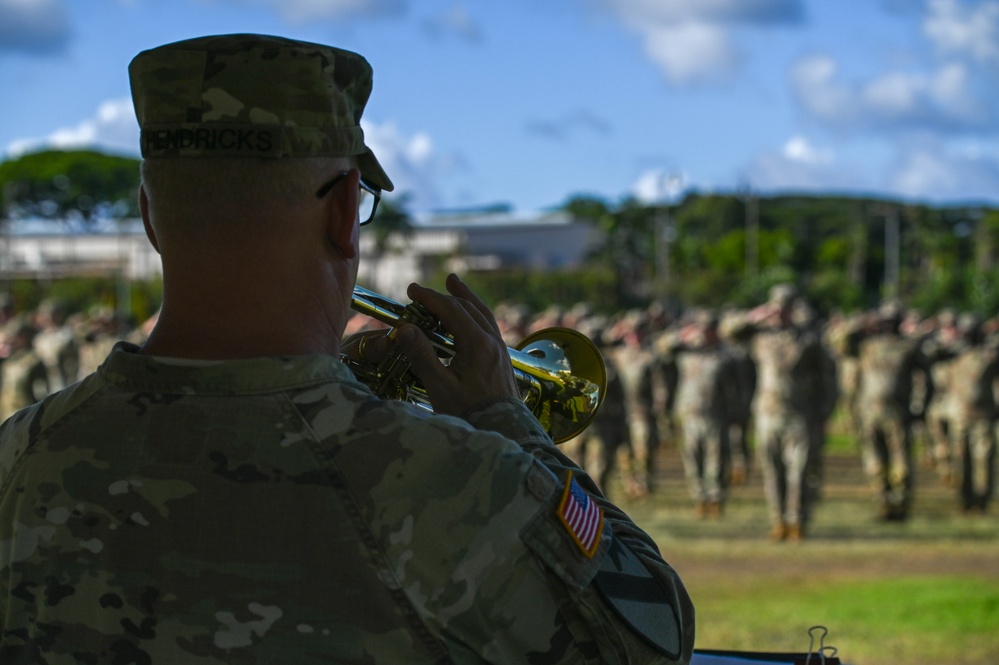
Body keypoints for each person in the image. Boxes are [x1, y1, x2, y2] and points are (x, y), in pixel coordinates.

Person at [0, 34, 694, 664]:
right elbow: (651, 637)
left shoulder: (17, 455)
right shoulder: (457, 481)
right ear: (342, 215)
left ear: (150, 216)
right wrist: (506, 422)